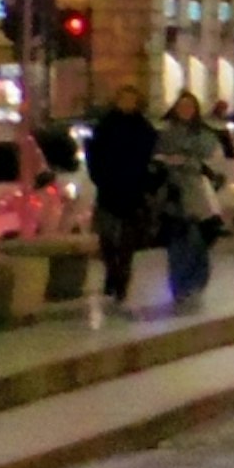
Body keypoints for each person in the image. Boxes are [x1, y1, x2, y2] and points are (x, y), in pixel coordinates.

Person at [86, 84, 161, 311]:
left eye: (131, 99)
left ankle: (122, 281)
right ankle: (112, 273)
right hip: (109, 189)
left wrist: (147, 183)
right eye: (123, 99)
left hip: (134, 191)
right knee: (107, 237)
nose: (127, 103)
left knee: (128, 241)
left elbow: (152, 160)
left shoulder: (145, 130)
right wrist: (100, 177)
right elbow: (94, 156)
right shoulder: (105, 127)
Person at [156, 93, 230, 308]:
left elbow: (216, 166)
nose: (185, 110)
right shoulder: (166, 134)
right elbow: (157, 158)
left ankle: (196, 282)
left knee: (198, 241)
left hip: (199, 196)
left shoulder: (205, 136)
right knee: (179, 242)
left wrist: (192, 164)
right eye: (182, 106)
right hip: (173, 196)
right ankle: (180, 285)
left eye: (189, 106)